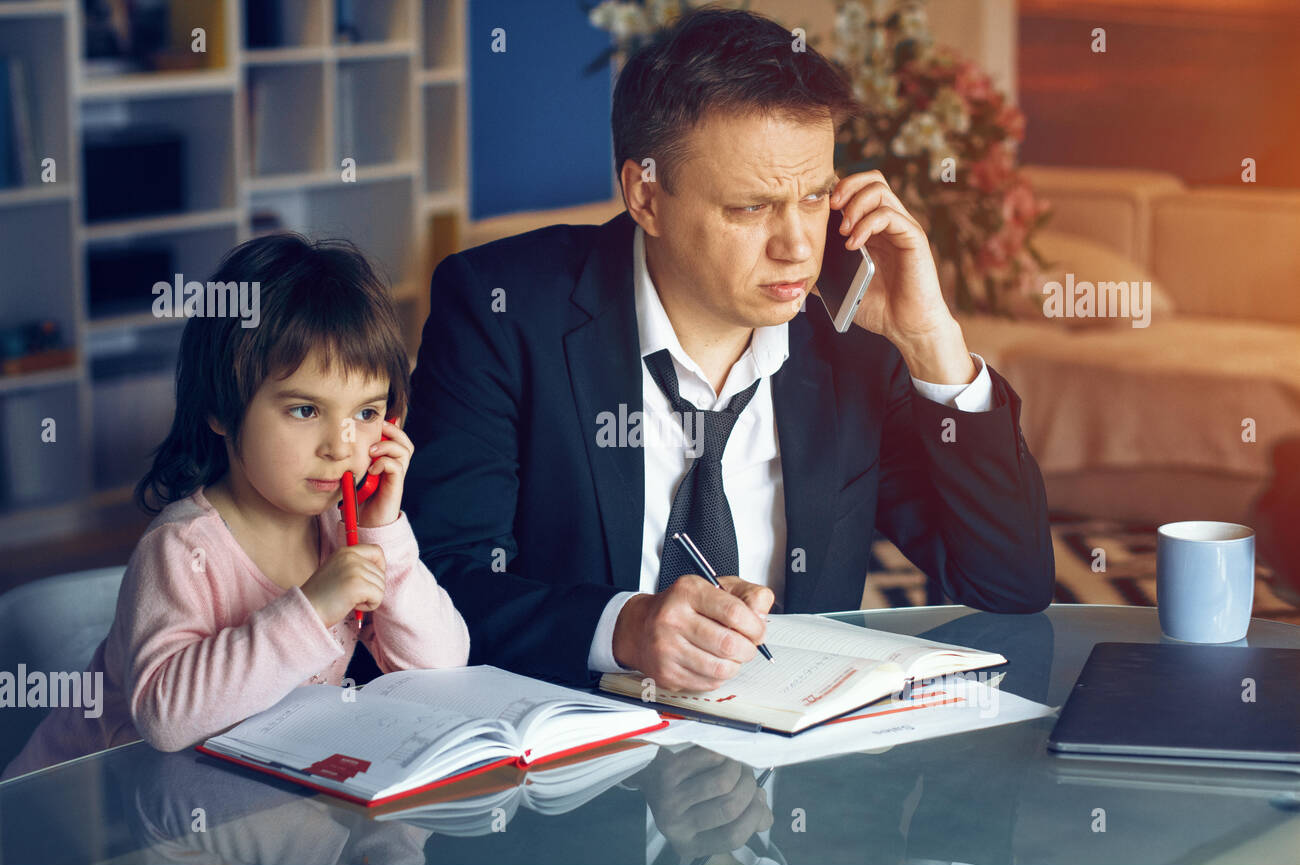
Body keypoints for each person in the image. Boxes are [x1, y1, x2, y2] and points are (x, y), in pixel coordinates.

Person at [403, 8, 1053, 692]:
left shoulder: (853, 335)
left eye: (814, 198)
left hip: (794, 767)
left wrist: (931, 342)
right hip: (568, 757)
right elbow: (434, 585)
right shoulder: (501, 310)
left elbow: (1008, 582)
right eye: (750, 208)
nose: (797, 246)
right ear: (645, 196)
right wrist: (626, 629)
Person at [2, 234, 469, 780]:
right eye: (303, 410)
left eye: (366, 413)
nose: (342, 445)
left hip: (221, 797)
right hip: (79, 810)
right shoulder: (180, 548)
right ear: (220, 409)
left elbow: (440, 667)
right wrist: (314, 605)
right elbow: (167, 718)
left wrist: (383, 533)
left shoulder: (344, 533)